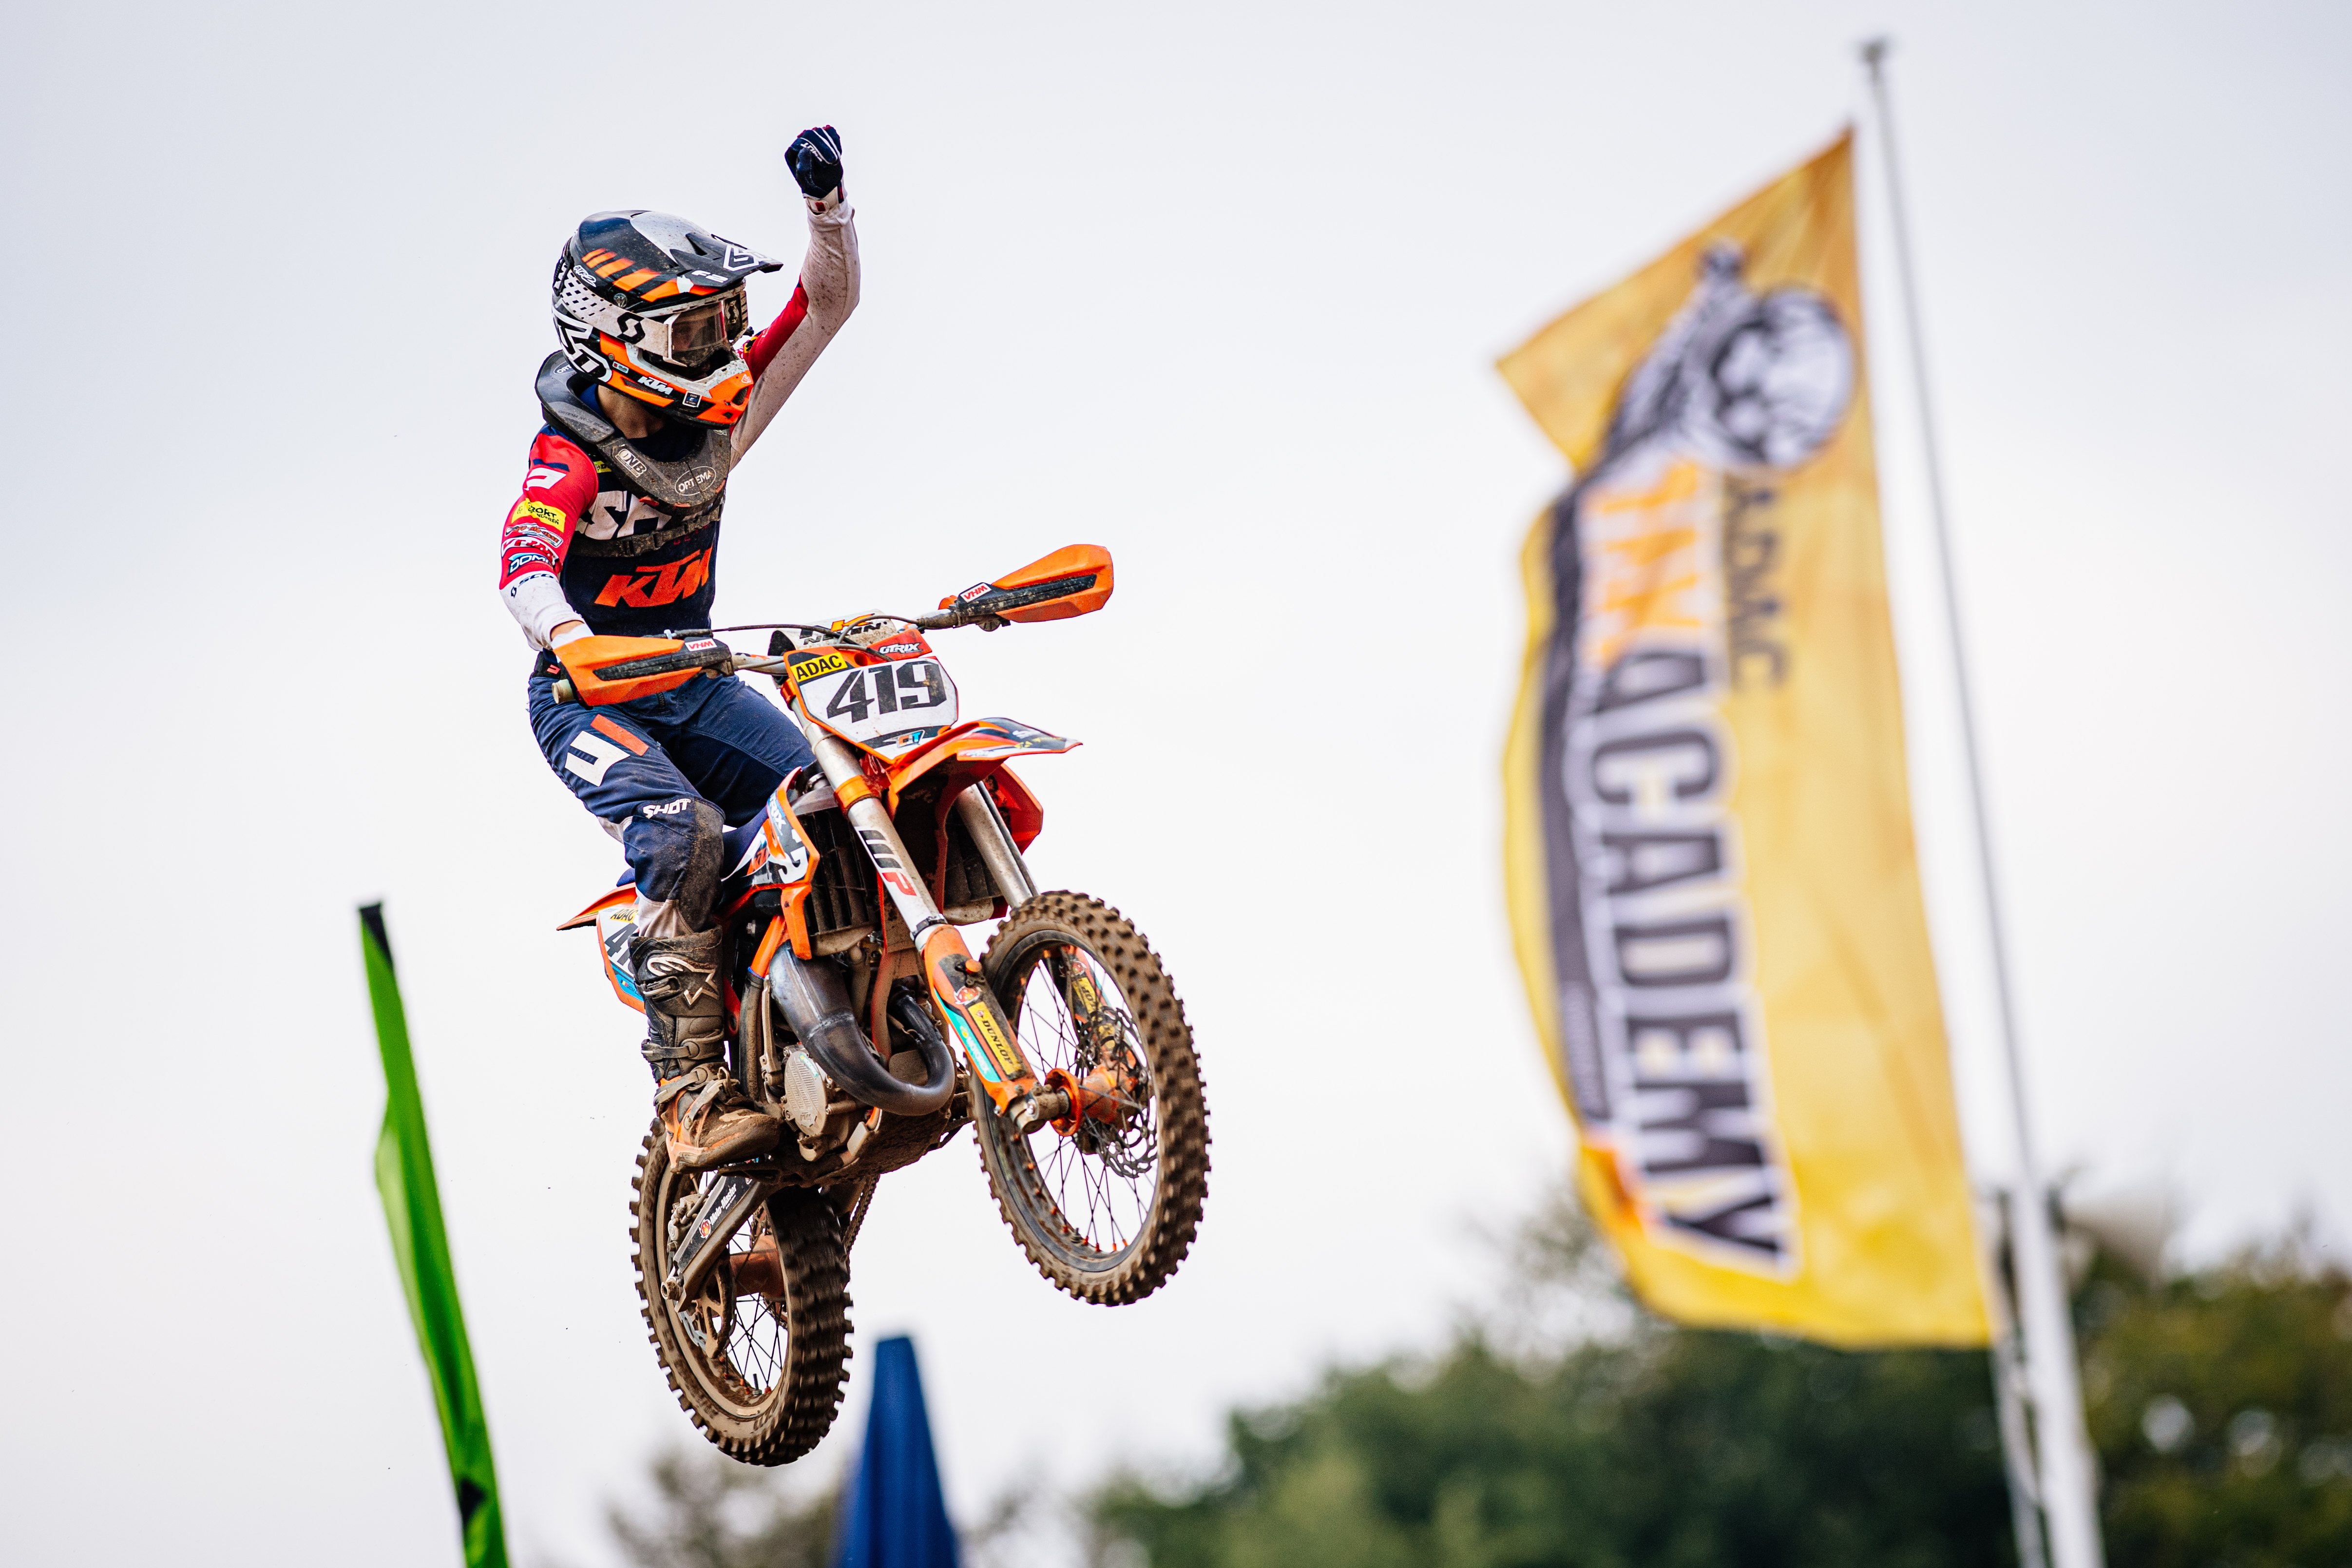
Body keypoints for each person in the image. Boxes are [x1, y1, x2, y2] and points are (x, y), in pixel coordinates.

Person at [498, 126, 858, 1169]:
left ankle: (827, 1012)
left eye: (723, 322)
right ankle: (689, 1088)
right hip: (589, 696)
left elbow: (823, 309)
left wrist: (828, 210)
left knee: (832, 802)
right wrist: (573, 639)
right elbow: (523, 563)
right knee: (680, 830)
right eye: (694, 328)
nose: (719, 347)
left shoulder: (718, 420)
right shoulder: (568, 455)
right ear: (614, 335)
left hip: (697, 681)